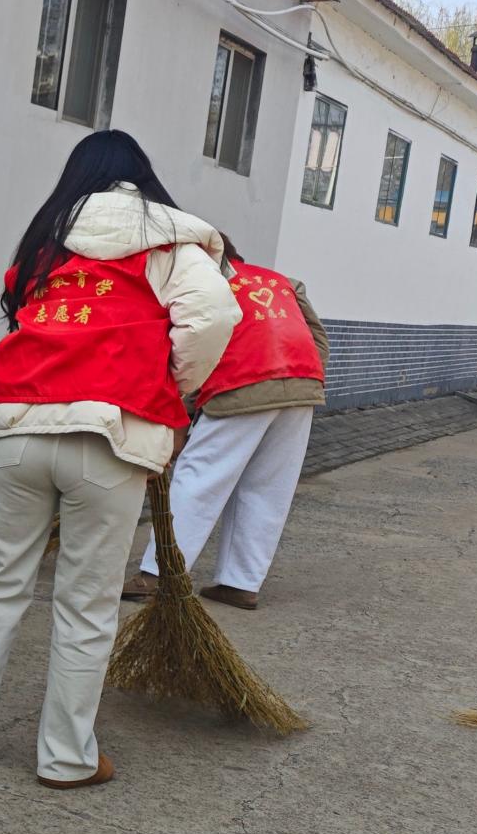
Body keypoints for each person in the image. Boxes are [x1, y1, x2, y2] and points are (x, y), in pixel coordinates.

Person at [0, 131, 238, 787]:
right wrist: (170, 389)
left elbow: (21, 308)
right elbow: (212, 317)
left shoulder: (47, 239)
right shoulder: (170, 242)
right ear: (142, 178)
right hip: (108, 438)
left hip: (20, 430)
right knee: (86, 605)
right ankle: (66, 758)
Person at [122, 236, 329, 610]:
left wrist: (179, 418)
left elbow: (190, 351)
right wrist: (302, 380)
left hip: (241, 383)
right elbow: (318, 339)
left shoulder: (201, 285)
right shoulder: (283, 282)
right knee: (268, 487)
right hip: (302, 384)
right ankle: (240, 583)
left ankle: (159, 575)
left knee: (199, 477)